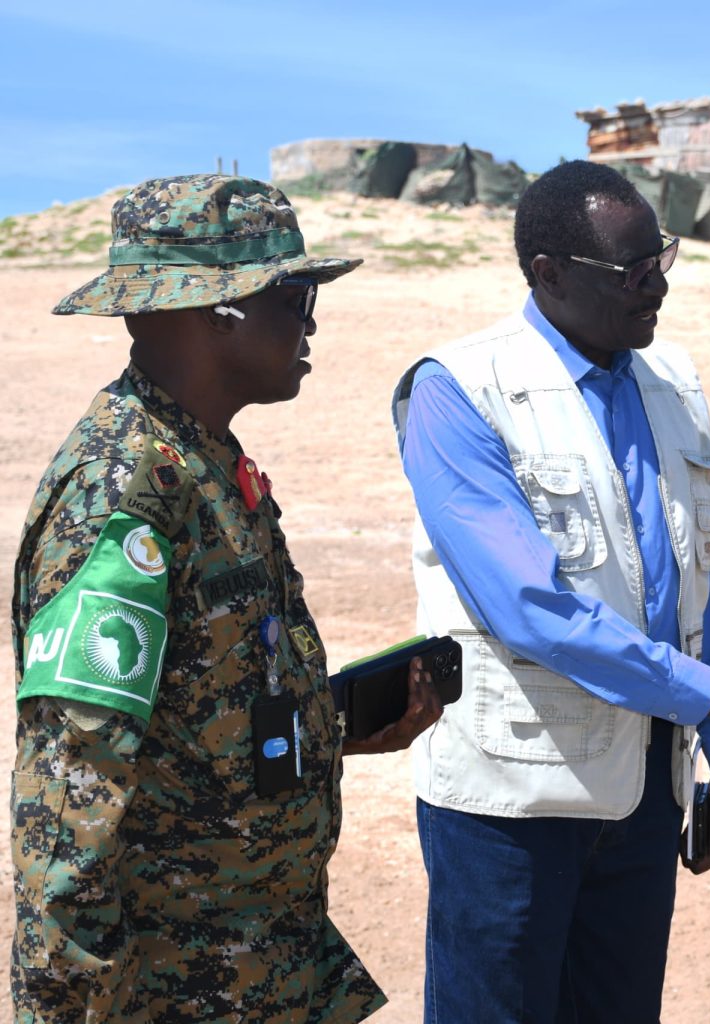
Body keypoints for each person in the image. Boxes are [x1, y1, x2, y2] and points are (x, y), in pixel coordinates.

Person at [390, 159, 710, 1023]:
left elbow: (702, 578)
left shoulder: (672, 384)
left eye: (663, 261)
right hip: (513, 796)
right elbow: (532, 610)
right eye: (632, 273)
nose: (657, 290)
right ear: (548, 273)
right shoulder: (458, 392)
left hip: (646, 790)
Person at [11, 174, 443, 1023]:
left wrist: (332, 729)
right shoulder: (124, 491)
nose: (311, 321)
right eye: (296, 294)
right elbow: (68, 803)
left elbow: (198, 712)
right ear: (217, 309)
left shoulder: (199, 459)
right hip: (173, 989)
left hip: (256, 968)